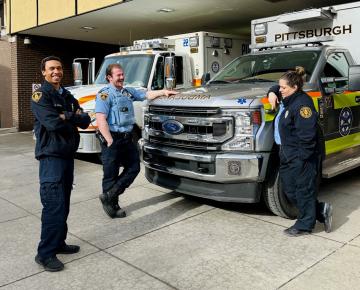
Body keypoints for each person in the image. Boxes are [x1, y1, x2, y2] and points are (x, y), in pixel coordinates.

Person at [31, 56, 91, 271]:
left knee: (63, 204)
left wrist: (67, 115)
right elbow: (52, 123)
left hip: (66, 157)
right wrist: (69, 117)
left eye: (58, 68)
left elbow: (86, 119)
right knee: (53, 205)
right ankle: (45, 254)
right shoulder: (41, 95)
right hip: (51, 158)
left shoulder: (66, 94)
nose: (56, 71)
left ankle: (59, 243)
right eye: (51, 69)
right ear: (44, 73)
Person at [95, 63, 178, 218]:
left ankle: (109, 195)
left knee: (134, 167)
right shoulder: (104, 95)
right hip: (112, 138)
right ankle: (113, 205)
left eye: (122, 74)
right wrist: (109, 140)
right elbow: (101, 119)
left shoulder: (128, 92)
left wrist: (164, 92)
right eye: (118, 75)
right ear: (109, 77)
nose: (121, 77)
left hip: (127, 137)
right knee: (110, 174)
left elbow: (146, 95)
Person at [267, 66, 333, 237]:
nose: (280, 90)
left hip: (302, 155)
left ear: (295, 88)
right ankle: (320, 210)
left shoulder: (302, 105)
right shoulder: (288, 98)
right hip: (287, 153)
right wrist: (272, 92)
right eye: (279, 87)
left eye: (283, 88)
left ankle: (304, 225)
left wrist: (302, 159)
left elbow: (308, 137)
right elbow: (277, 88)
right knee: (289, 189)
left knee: (303, 190)